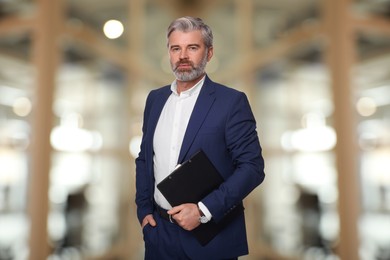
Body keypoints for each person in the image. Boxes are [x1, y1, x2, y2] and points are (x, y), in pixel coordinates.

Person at [135, 16, 265, 260]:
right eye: (176, 48)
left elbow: (253, 168)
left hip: (212, 240)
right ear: (169, 52)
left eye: (192, 47)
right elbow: (144, 159)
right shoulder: (155, 99)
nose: (183, 56)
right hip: (159, 235)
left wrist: (204, 210)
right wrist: (143, 212)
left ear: (209, 53)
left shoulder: (231, 102)